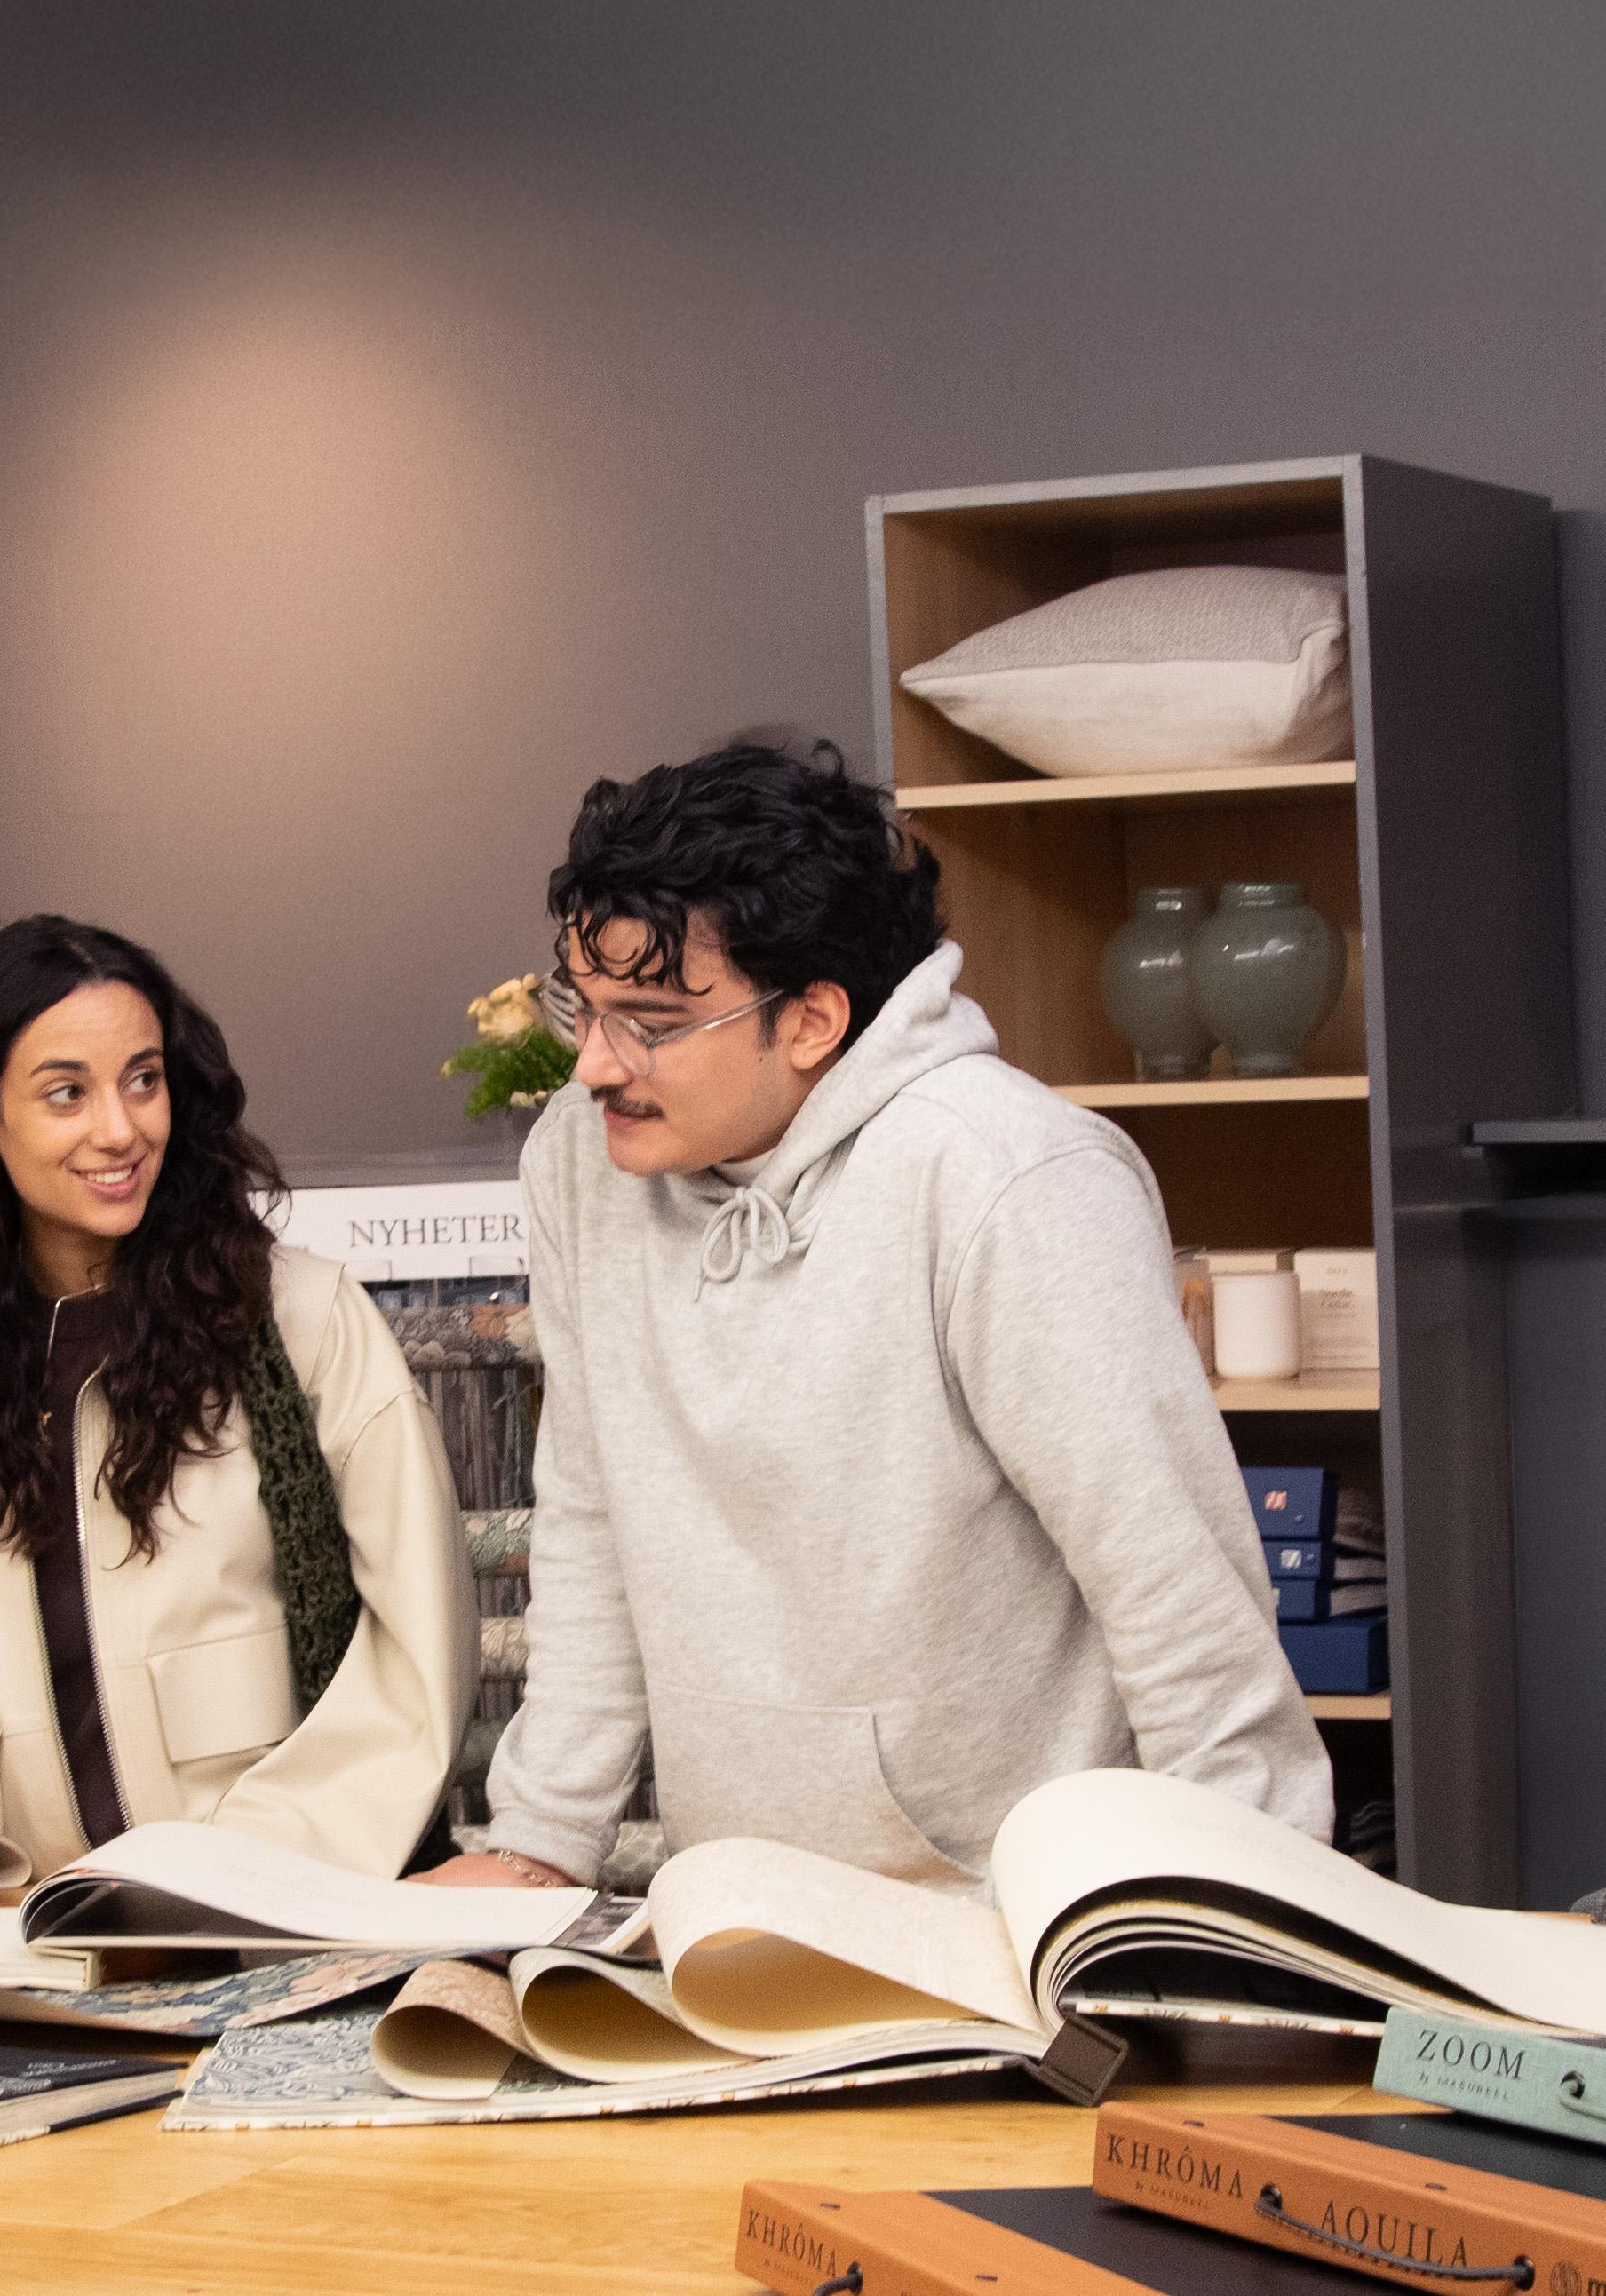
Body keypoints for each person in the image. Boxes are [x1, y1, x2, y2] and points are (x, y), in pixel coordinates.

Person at [427, 741, 1330, 1895]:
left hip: (1027, 1914)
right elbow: (592, 1509)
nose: (596, 1063)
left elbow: (1174, 1589)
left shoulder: (1009, 1176)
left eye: (649, 1019)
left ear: (810, 1018)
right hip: (751, 1916)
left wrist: (1252, 1925)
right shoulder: (580, 1162)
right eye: (581, 1006)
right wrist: (540, 1838)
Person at [0, 917, 477, 1904]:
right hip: (21, 1933)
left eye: (142, 1079)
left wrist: (229, 1875)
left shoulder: (305, 1324)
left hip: (274, 1910)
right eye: (67, 1092)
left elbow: (416, 1651)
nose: (120, 1128)